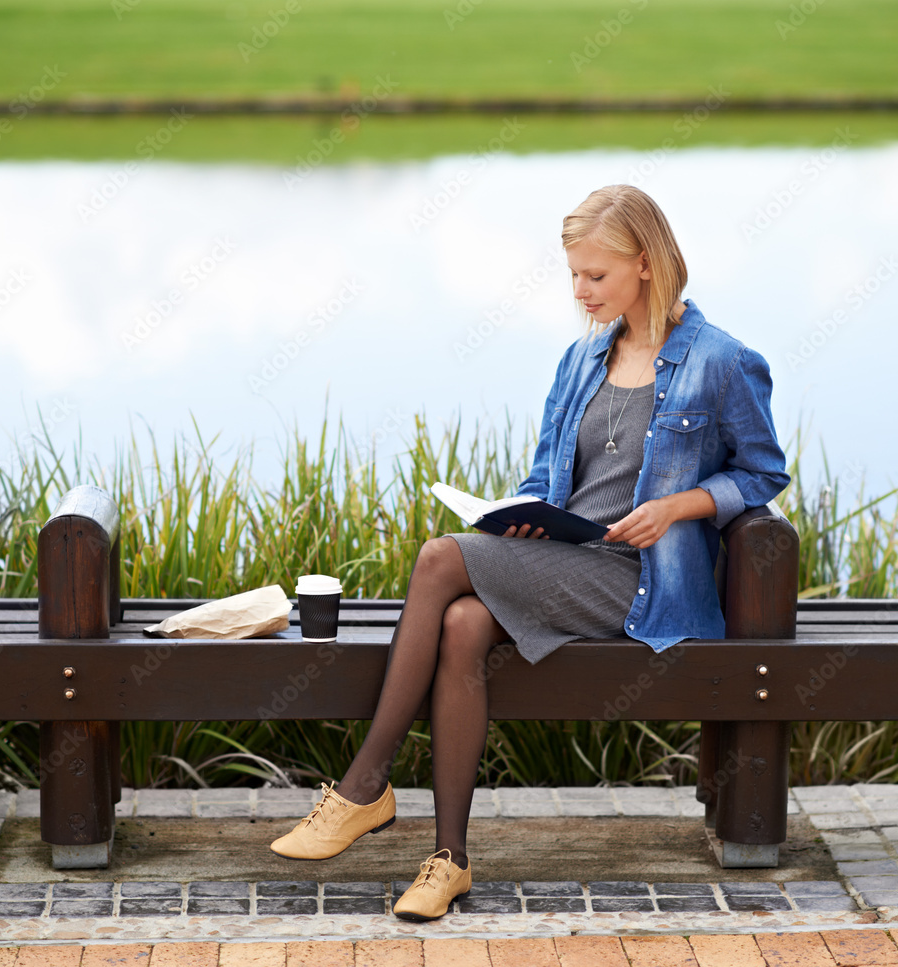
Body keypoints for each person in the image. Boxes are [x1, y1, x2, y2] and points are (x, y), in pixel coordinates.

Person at [269, 184, 790, 921]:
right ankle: (448, 860)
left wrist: (681, 505)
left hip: (643, 580)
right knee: (460, 628)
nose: (581, 291)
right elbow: (546, 476)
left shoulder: (723, 360)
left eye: (597, 275)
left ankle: (364, 785)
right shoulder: (581, 359)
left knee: (437, 560)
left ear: (646, 263)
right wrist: (521, 516)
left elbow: (763, 472)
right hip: (569, 561)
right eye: (574, 273)